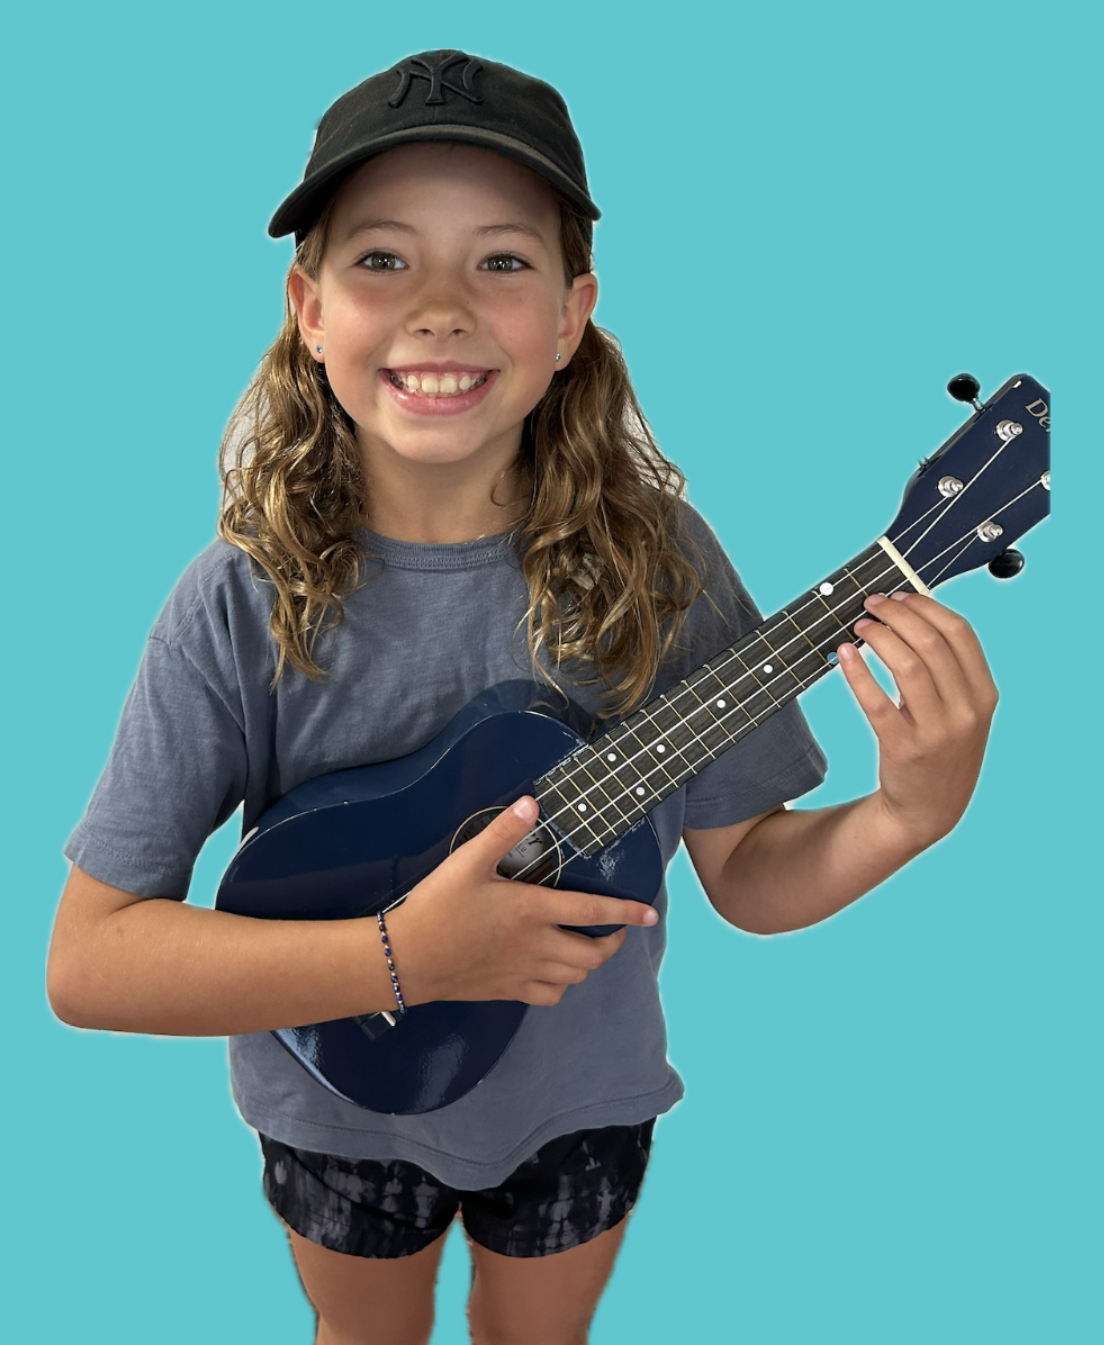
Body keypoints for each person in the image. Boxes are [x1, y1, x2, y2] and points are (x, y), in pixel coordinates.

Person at [46, 50, 998, 1345]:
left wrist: (907, 816)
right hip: (333, 1101)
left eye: (500, 261)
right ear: (307, 308)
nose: (440, 308)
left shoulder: (660, 564)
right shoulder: (241, 597)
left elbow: (751, 878)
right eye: (383, 259)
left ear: (570, 316)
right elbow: (88, 964)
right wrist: (401, 958)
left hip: (581, 1097)